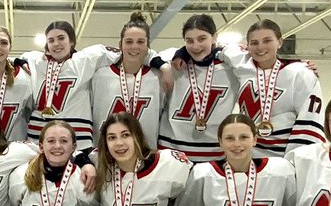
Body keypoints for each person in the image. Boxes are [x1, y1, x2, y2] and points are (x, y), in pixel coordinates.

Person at [20, 21, 159, 149]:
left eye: (61, 38)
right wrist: (18, 62)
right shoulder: (36, 61)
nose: (56, 43)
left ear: (72, 41)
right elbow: (16, 59)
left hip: (78, 140)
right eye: (51, 40)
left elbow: (132, 51)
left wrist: (158, 62)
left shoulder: (85, 59)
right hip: (37, 137)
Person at [179, 114, 295, 206]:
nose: (237, 144)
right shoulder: (203, 173)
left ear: (255, 140)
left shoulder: (280, 170)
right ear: (220, 142)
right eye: (229, 138)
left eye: (244, 137)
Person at [84, 112, 192, 206]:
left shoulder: (167, 165)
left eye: (125, 135)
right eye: (112, 138)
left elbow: (188, 197)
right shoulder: (99, 162)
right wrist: (86, 164)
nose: (119, 143)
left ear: (138, 136)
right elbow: (78, 157)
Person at [221, 20, 325, 158]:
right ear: (247, 46)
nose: (260, 47)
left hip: (283, 156)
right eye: (254, 43)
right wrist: (183, 55)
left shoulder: (299, 73)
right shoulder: (242, 65)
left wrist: (296, 160)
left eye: (267, 41)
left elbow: (310, 118)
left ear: (280, 42)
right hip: (247, 155)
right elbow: (209, 46)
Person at [157, 14, 238, 163]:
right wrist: (164, 66)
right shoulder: (174, 63)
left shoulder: (231, 66)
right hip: (172, 153)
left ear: (214, 37)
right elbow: (146, 55)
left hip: (215, 154)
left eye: (202, 39)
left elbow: (244, 56)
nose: (195, 46)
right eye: (189, 41)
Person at [91, 12, 164, 149]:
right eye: (129, 41)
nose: (134, 46)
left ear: (148, 45)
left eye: (140, 42)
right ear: (120, 44)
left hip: (145, 153)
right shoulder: (100, 75)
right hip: (106, 153)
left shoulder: (157, 77)